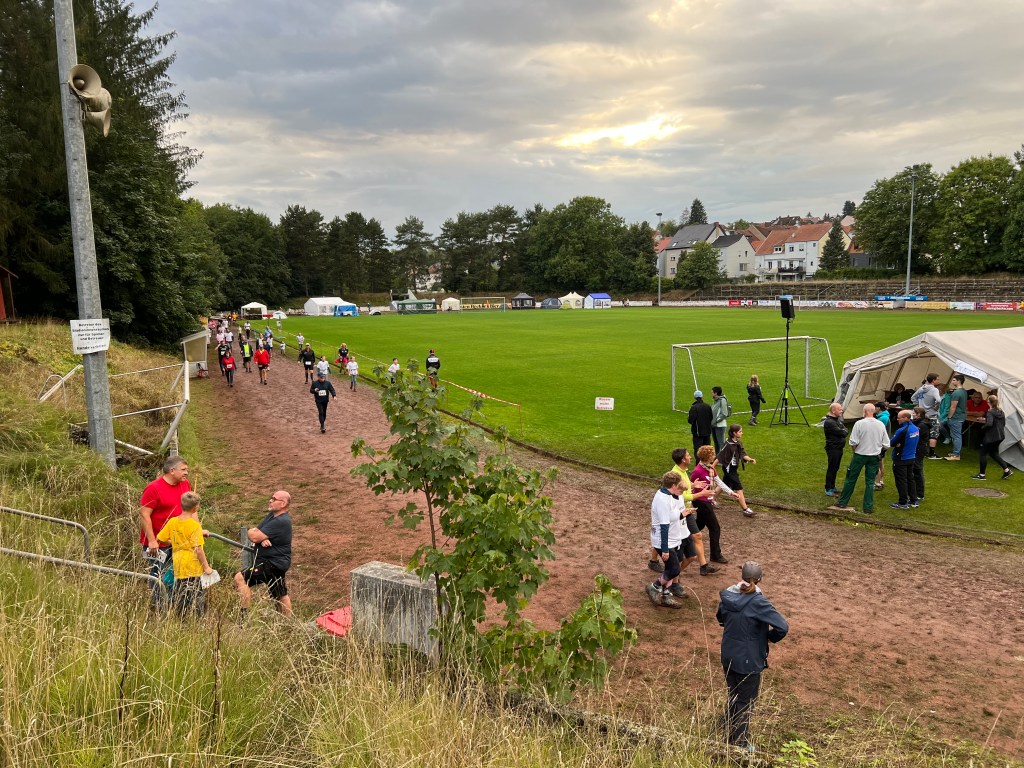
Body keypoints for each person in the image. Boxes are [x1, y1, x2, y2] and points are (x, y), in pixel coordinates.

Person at [717, 561, 789, 753]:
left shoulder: (728, 595)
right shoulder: (758, 601)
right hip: (749, 660)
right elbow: (782, 627)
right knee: (745, 701)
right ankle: (738, 743)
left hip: (728, 654)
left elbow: (721, 618)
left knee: (733, 693)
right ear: (759, 579)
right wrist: (768, 637)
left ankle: (727, 725)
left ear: (742, 576)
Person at [139, 456, 191, 609]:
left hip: (180, 541)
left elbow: (191, 509)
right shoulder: (153, 488)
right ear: (172, 470)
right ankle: (160, 608)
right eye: (183, 470)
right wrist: (151, 540)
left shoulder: (185, 484)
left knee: (178, 575)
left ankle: (176, 607)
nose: (186, 473)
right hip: (158, 544)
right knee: (158, 575)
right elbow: (144, 514)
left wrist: (196, 530)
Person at [235, 491, 294, 617]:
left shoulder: (282, 521)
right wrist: (261, 538)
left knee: (240, 578)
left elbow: (254, 536)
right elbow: (255, 532)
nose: (270, 500)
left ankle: (243, 618)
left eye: (274, 499)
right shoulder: (272, 516)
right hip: (277, 563)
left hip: (272, 563)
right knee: (279, 594)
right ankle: (288, 622)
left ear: (283, 503)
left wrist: (258, 537)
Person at [156, 491, 214, 618]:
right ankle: (199, 619)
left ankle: (180, 618)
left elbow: (160, 538)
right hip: (192, 565)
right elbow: (198, 549)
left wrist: (175, 543)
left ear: (181, 505)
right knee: (197, 594)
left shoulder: (172, 521)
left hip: (178, 563)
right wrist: (206, 567)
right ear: (196, 508)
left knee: (180, 594)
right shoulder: (195, 525)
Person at [645, 472, 697, 609]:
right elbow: (664, 526)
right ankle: (654, 587)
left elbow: (672, 516)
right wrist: (665, 549)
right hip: (664, 540)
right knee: (674, 569)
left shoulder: (670, 495)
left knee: (670, 568)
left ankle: (666, 596)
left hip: (673, 539)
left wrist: (683, 514)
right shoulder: (662, 500)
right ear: (674, 485)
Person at [665, 448, 718, 576]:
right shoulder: (676, 474)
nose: (690, 457)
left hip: (686, 510)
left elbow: (685, 487)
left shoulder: (682, 471)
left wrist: (693, 485)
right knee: (668, 536)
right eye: (688, 456)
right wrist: (701, 494)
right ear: (683, 460)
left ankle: (703, 566)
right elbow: (682, 496)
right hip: (679, 512)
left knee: (697, 536)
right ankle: (658, 563)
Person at [829, 403, 890, 514]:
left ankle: (842, 502)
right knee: (870, 482)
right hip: (874, 457)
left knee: (851, 479)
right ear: (873, 411)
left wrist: (855, 451)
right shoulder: (880, 424)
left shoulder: (859, 424)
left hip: (860, 455)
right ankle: (868, 508)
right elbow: (886, 444)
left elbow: (853, 442)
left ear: (865, 411)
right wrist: (879, 451)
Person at [690, 445, 730, 566]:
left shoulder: (710, 468)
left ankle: (683, 541)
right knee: (715, 528)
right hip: (701, 502)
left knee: (699, 525)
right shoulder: (698, 471)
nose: (714, 456)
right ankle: (715, 555)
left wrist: (731, 493)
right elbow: (690, 486)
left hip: (706, 501)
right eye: (712, 454)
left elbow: (719, 482)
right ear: (709, 457)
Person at [716, 424, 757, 517]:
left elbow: (742, 454)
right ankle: (745, 509)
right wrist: (712, 467)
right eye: (740, 431)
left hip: (733, 469)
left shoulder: (738, 443)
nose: (742, 433)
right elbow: (720, 456)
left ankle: (711, 500)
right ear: (734, 433)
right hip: (729, 470)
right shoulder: (728, 444)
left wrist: (750, 459)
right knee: (739, 488)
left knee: (724, 485)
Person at [973, 394, 1013, 480]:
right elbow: (1001, 423)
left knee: (983, 453)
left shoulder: (990, 412)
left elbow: (989, 424)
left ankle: (982, 475)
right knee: (993, 453)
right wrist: (985, 419)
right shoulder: (1001, 411)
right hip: (1000, 436)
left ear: (989, 402)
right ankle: (1007, 470)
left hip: (991, 436)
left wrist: (983, 428)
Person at [889, 409, 920, 509]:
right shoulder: (915, 428)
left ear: (906, 418)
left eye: (899, 418)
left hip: (901, 458)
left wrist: (898, 444)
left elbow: (891, 443)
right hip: (911, 457)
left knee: (901, 480)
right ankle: (914, 500)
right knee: (910, 479)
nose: (897, 419)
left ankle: (903, 502)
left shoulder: (902, 430)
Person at [911, 373, 942, 458]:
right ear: (933, 380)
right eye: (937, 379)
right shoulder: (934, 390)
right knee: (933, 433)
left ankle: (921, 451)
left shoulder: (921, 388)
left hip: (921, 415)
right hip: (931, 414)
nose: (939, 381)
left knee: (921, 433)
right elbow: (938, 400)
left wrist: (918, 406)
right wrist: (936, 408)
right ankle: (931, 453)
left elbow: (913, 397)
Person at [823, 402, 848, 496]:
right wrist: (843, 431)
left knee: (836, 468)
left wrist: (843, 431)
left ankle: (832, 486)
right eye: (839, 409)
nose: (841, 411)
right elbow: (843, 433)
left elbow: (845, 430)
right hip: (833, 448)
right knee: (832, 468)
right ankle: (828, 488)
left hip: (839, 448)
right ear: (833, 411)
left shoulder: (837, 420)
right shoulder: (829, 422)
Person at [945, 374, 968, 461]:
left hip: (956, 417)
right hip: (961, 416)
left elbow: (953, 406)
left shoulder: (956, 392)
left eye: (954, 380)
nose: (952, 382)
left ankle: (956, 455)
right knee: (955, 435)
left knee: (956, 436)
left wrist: (949, 417)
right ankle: (955, 452)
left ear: (959, 381)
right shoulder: (964, 391)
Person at [911, 406, 931, 505]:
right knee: (915, 470)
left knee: (918, 471)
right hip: (918, 449)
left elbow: (915, 436)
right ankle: (915, 491)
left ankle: (919, 494)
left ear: (918, 414)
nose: (912, 414)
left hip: (919, 450)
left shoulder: (922, 425)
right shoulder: (919, 423)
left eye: (914, 413)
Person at [687, 390, 713, 459]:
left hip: (698, 433)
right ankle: (708, 463)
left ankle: (699, 464)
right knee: (707, 450)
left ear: (695, 397)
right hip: (707, 432)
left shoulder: (694, 407)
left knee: (698, 450)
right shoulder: (708, 406)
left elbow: (690, 420)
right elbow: (711, 417)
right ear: (702, 397)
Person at [873, 401, 890, 491]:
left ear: (879, 408)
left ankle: (878, 482)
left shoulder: (883, 418)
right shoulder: (885, 416)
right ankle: (881, 480)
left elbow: (876, 430)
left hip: (880, 444)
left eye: (875, 407)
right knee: (881, 462)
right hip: (883, 443)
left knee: (877, 462)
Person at [711, 387, 731, 452]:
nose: (711, 393)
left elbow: (724, 413)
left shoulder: (722, 400)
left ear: (716, 393)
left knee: (721, 443)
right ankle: (718, 456)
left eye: (712, 392)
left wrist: (715, 421)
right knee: (716, 443)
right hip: (714, 425)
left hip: (720, 425)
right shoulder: (715, 400)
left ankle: (725, 456)